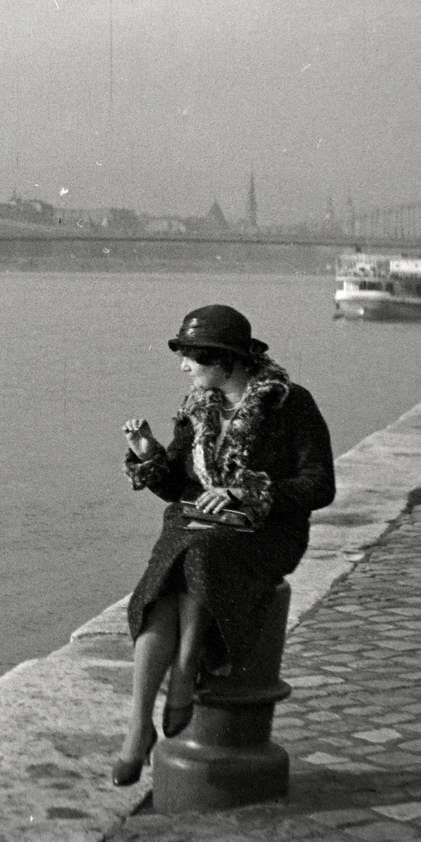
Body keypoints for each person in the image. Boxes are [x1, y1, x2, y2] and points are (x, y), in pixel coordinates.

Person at [110, 304, 335, 786]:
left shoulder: (290, 404)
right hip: (194, 523)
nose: (183, 367)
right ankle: (137, 728)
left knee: (197, 555)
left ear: (224, 360)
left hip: (267, 530)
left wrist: (247, 490)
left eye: (191, 357)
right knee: (158, 589)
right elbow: (176, 486)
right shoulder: (196, 409)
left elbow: (320, 485)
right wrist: (149, 456)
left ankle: (187, 668)